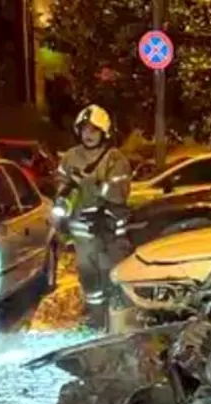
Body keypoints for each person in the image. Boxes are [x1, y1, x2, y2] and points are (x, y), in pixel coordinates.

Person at [56, 104, 132, 329]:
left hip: (109, 229)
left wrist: (90, 185)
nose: (88, 135)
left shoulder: (115, 159)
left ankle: (119, 320)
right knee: (89, 277)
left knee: (112, 273)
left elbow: (118, 193)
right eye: (85, 130)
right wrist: (61, 205)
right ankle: (96, 319)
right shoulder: (70, 157)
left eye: (94, 130)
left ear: (104, 132)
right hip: (82, 230)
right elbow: (61, 184)